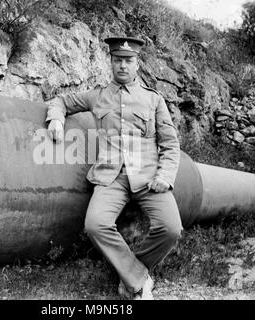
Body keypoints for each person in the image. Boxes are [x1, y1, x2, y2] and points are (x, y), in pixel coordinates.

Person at [45, 36, 182, 300]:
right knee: (96, 224)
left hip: (148, 177)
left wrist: (165, 176)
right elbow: (62, 100)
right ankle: (139, 280)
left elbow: (170, 144)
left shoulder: (154, 100)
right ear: (110, 62)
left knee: (171, 228)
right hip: (110, 176)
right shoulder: (97, 96)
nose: (123, 66)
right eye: (118, 60)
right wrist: (56, 119)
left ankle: (130, 274)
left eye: (128, 61)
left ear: (137, 64)